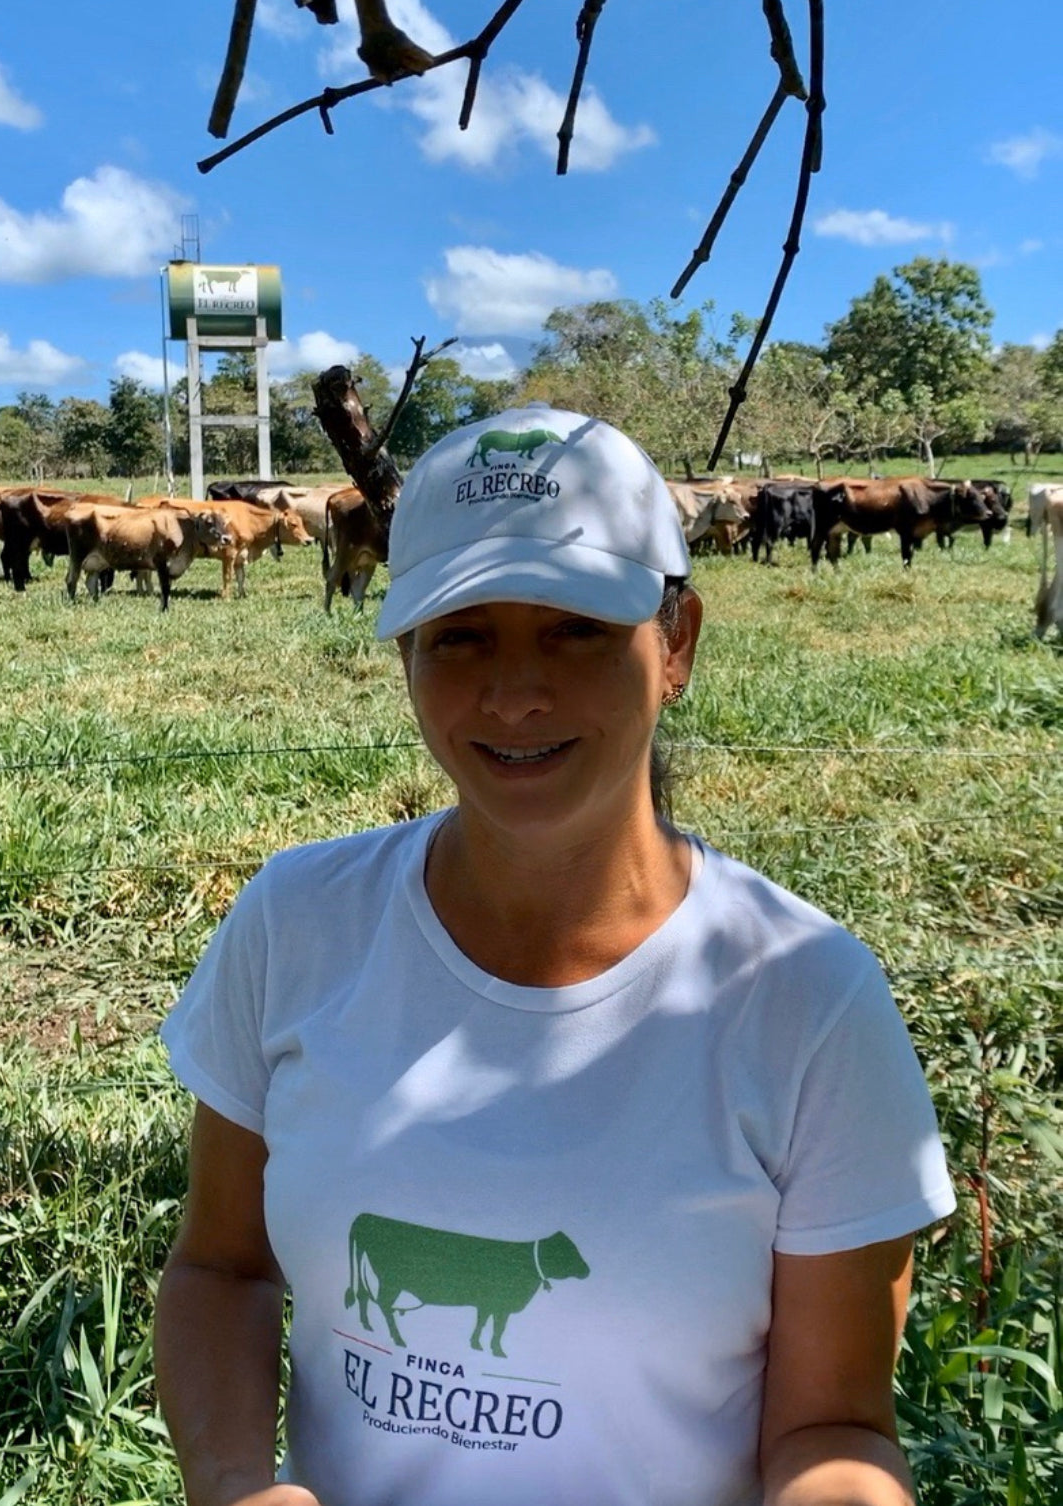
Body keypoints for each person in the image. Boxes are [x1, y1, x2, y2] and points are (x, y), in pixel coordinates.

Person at [155, 405, 957, 1506]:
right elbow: (221, 1267)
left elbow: (830, 1428)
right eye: (462, 635)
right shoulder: (296, 924)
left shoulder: (807, 999)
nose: (515, 692)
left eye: (578, 627)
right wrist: (241, 1482)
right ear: (405, 654)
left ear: (676, 645)